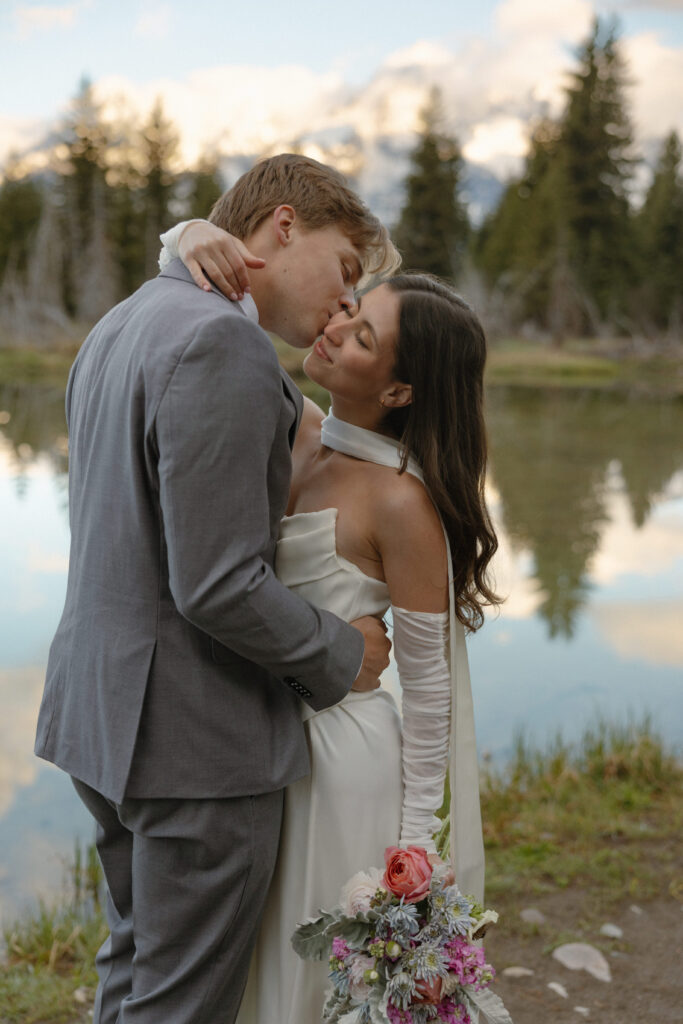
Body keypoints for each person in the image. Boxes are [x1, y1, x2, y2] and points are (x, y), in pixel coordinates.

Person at [34, 154, 400, 1024]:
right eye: (344, 267)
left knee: (132, 975)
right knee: (181, 1005)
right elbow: (218, 582)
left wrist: (179, 242)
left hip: (103, 712)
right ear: (282, 226)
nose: (345, 301)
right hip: (193, 739)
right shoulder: (223, 341)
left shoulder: (125, 321)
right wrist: (342, 652)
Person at [160, 220, 500, 1022]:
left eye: (363, 334)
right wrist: (187, 236)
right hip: (258, 743)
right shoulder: (297, 429)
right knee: (248, 964)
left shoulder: (401, 504)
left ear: (397, 391)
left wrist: (413, 857)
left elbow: (427, 698)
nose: (336, 322)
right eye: (352, 305)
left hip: (344, 766)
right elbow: (207, 311)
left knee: (313, 977)